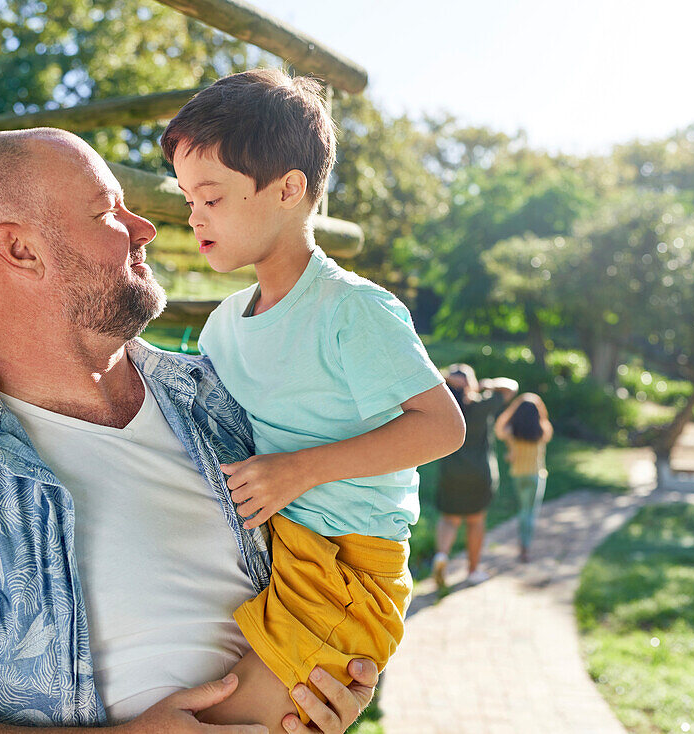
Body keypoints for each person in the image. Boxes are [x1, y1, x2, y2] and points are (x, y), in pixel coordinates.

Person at [0, 127, 379, 734]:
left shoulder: (224, 399)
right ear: (20, 250)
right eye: (107, 211)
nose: (145, 227)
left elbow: (345, 540)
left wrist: (321, 683)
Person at [162, 69, 466, 733]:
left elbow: (441, 428)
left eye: (210, 196)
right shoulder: (222, 326)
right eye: (187, 198)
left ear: (288, 190)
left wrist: (300, 471)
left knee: (218, 722)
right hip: (273, 554)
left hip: (345, 572)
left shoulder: (350, 309)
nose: (193, 215)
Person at [430, 364, 518, 589]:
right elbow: (511, 387)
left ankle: (441, 556)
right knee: (476, 521)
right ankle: (473, 570)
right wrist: (483, 384)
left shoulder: (442, 407)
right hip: (480, 473)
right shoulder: (482, 405)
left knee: (449, 519)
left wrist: (445, 378)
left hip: (451, 472)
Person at [494, 393, 554, 562]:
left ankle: (523, 545)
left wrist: (512, 409)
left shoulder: (512, 431)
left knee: (523, 510)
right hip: (536, 475)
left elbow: (499, 429)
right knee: (530, 511)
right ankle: (525, 547)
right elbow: (546, 427)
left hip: (518, 474)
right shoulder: (542, 430)